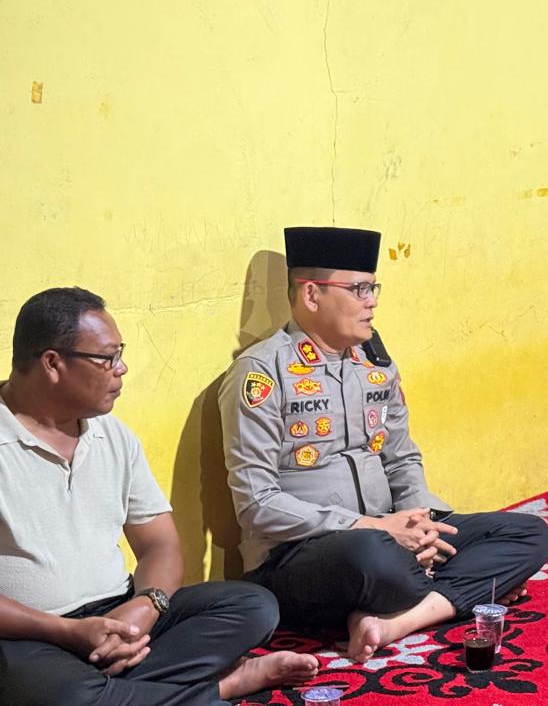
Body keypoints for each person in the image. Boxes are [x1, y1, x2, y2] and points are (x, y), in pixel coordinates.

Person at [220, 227, 548, 663]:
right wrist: (373, 528)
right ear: (312, 294)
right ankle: (454, 591)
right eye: (358, 289)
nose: (371, 301)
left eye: (373, 288)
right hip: (304, 556)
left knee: (527, 533)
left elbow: (401, 458)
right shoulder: (263, 373)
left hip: (391, 539)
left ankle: (393, 621)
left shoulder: (375, 364)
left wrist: (421, 523)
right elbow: (256, 504)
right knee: (373, 556)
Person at [0, 287, 318, 706]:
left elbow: (160, 545)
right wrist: (68, 632)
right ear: (53, 363)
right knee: (68, 695)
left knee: (252, 605)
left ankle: (120, 692)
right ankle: (222, 688)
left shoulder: (113, 435)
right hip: (31, 635)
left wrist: (146, 606)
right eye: (107, 358)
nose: (122, 368)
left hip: (118, 614)